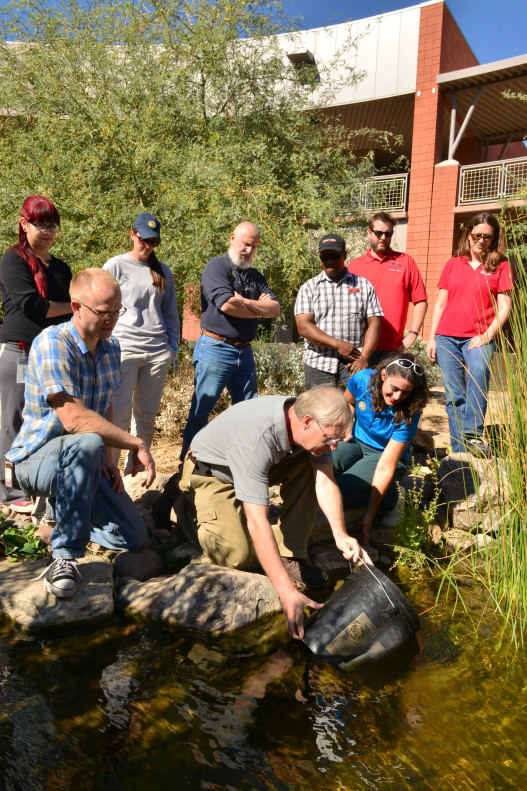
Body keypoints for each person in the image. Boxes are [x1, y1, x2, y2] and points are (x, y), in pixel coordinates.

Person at [174, 385, 371, 639]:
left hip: (250, 470)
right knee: (237, 556)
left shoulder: (307, 428)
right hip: (213, 474)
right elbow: (258, 522)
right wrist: (286, 592)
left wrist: (340, 533)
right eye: (330, 440)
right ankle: (179, 508)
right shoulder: (256, 438)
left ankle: (290, 553)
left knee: (308, 462)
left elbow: (324, 481)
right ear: (308, 422)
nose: (333, 448)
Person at [6, 269, 156, 599]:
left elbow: (106, 408)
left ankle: (62, 516)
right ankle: (64, 555)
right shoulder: (52, 343)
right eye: (104, 312)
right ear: (76, 307)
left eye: (118, 311)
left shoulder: (111, 347)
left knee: (134, 537)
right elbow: (74, 419)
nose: (112, 320)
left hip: (83, 458)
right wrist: (134, 442)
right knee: (87, 441)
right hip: (38, 461)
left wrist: (109, 460)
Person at [180, 222, 280, 460]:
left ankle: (239, 465)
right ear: (232, 238)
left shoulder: (256, 276)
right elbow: (226, 304)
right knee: (200, 412)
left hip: (244, 352)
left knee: (247, 413)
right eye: (245, 244)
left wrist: (244, 303)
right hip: (215, 348)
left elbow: (275, 309)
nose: (248, 250)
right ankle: (185, 467)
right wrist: (259, 307)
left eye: (254, 246)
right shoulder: (217, 267)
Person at [0, 195, 73, 514]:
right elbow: (33, 306)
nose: (47, 231)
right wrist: (75, 307)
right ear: (24, 223)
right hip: (18, 351)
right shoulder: (12, 260)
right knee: (12, 420)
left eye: (52, 225)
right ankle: (7, 489)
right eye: (40, 224)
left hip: (49, 354)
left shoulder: (60, 268)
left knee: (46, 420)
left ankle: (37, 482)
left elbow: (68, 314)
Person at [426, 212, 513, 457]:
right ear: (469, 234)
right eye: (477, 235)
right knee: (454, 395)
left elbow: (505, 306)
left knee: (478, 374)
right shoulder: (454, 264)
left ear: (494, 239)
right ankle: (459, 449)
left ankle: (473, 435)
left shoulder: (501, 266)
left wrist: (487, 335)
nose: (481, 240)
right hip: (446, 337)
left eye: (487, 236)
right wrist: (431, 337)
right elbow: (441, 305)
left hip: (478, 337)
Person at [103, 213, 180, 475]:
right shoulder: (115, 266)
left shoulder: (162, 271)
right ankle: (108, 472)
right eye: (143, 239)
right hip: (122, 349)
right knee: (118, 416)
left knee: (145, 416)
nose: (147, 245)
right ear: (132, 234)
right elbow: (101, 304)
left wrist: (172, 348)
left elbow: (171, 313)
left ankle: (134, 473)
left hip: (157, 352)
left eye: (153, 241)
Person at [332, 353, 429, 546]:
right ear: (383, 375)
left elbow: (386, 465)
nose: (398, 397)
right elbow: (348, 402)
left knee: (342, 490)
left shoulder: (410, 411)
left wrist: (368, 517)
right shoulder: (361, 379)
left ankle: (391, 499)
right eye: (394, 389)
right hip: (357, 440)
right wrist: (347, 426)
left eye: (406, 392)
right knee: (325, 465)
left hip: (386, 456)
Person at [294, 233, 383, 388]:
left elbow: (374, 323)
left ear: (344, 255)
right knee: (321, 410)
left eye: (334, 256)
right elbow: (304, 327)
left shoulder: (364, 285)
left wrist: (364, 357)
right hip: (318, 361)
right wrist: (338, 345)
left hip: (354, 362)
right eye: (324, 257)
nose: (329, 261)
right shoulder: (309, 288)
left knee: (358, 407)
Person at [348, 212, 428, 364]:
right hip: (360, 348)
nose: (383, 238)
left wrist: (413, 333)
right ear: (369, 232)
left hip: (393, 348)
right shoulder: (354, 266)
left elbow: (421, 301)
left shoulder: (406, 262)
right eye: (379, 233)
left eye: (388, 233)